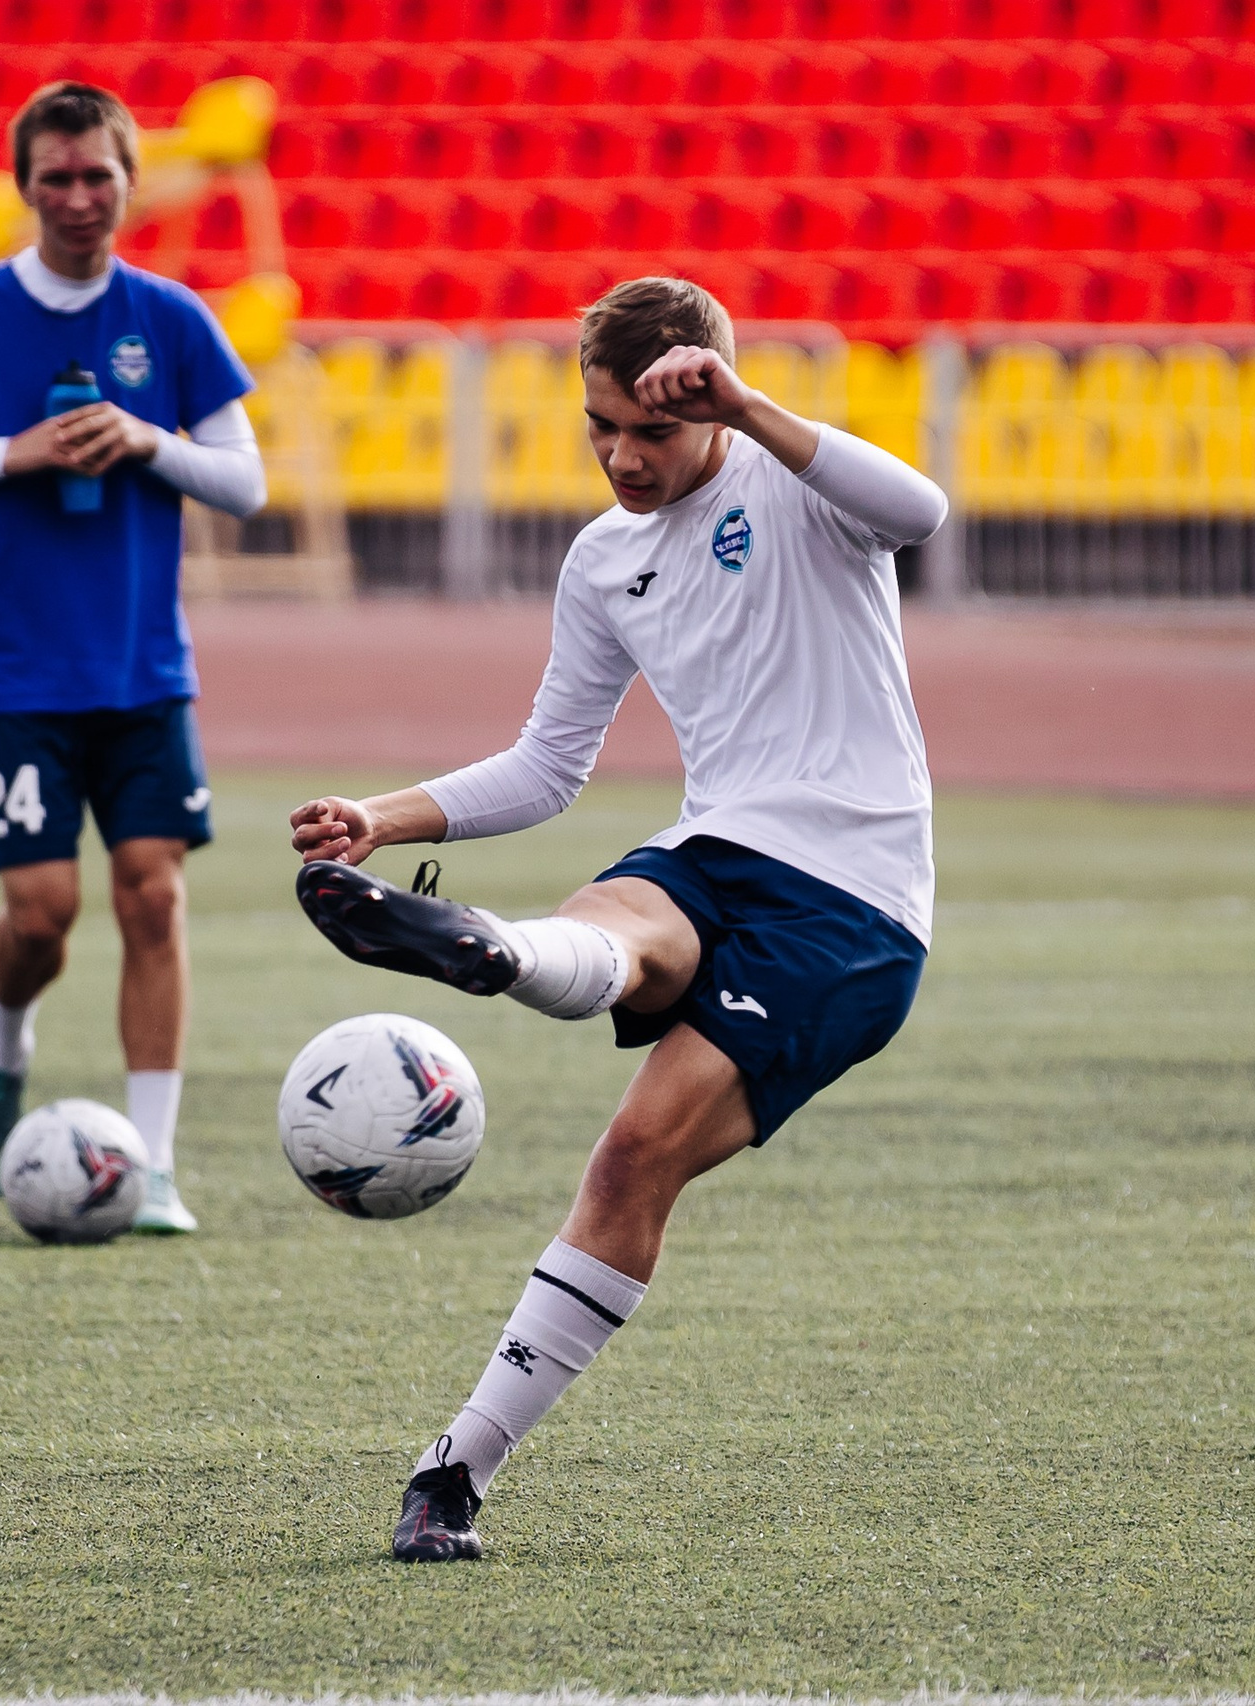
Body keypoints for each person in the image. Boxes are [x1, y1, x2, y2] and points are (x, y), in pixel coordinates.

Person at [286, 277, 946, 1560]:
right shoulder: (604, 558)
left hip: (856, 904)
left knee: (632, 1155)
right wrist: (383, 815)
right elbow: (547, 765)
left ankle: (459, 1458)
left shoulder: (790, 481)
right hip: (719, 844)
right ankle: (499, 948)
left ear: (707, 404)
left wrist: (749, 407)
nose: (623, 456)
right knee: (627, 916)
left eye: (652, 430)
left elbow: (918, 511)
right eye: (602, 426)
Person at [0, 81, 265, 1234]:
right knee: (41, 912)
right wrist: (9, 452)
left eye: (99, 176)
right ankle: (4, 1044)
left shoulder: (170, 317)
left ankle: (157, 1167)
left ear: (131, 181)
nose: (79, 198)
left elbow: (245, 479)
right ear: (24, 185)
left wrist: (145, 438)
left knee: (154, 897)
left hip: (143, 667)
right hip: (16, 667)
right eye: (57, 178)